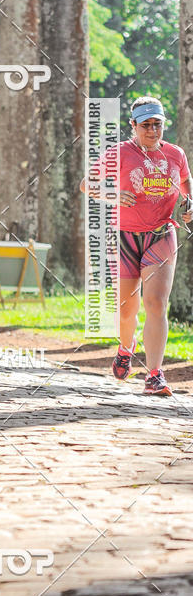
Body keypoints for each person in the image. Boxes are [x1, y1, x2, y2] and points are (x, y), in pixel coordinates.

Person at [80, 96, 193, 396]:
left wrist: (189, 201)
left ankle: (155, 374)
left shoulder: (175, 153)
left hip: (161, 234)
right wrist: (112, 196)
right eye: (146, 125)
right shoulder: (119, 153)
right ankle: (125, 347)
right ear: (133, 125)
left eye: (158, 124)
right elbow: (86, 184)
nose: (153, 131)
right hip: (124, 236)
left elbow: (185, 180)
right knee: (126, 308)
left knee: (156, 304)